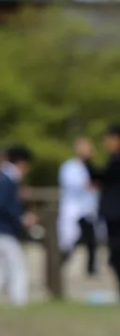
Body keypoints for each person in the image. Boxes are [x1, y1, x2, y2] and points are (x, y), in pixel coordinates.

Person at [0, 146, 36, 306]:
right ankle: (19, 300)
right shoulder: (7, 179)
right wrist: (21, 218)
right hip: (3, 230)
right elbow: (3, 205)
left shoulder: (1, 177)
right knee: (18, 267)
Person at [58, 137, 100, 277]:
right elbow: (74, 184)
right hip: (73, 208)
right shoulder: (69, 166)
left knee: (91, 240)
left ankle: (91, 269)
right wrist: (87, 185)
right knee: (70, 240)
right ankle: (59, 265)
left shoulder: (92, 166)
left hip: (87, 209)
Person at [94, 126, 120, 296]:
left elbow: (103, 178)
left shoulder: (116, 160)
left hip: (116, 214)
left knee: (116, 253)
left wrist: (87, 161)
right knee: (114, 254)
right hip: (113, 214)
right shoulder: (113, 159)